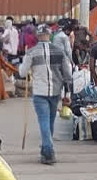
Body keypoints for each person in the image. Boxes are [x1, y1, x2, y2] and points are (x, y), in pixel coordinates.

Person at [19, 24, 72, 165]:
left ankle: (48, 151)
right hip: (55, 90)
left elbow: (22, 73)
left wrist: (24, 65)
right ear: (50, 35)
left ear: (38, 35)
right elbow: (68, 73)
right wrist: (68, 91)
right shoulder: (59, 52)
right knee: (50, 121)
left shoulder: (31, 52)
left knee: (43, 121)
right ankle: (46, 149)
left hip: (40, 91)